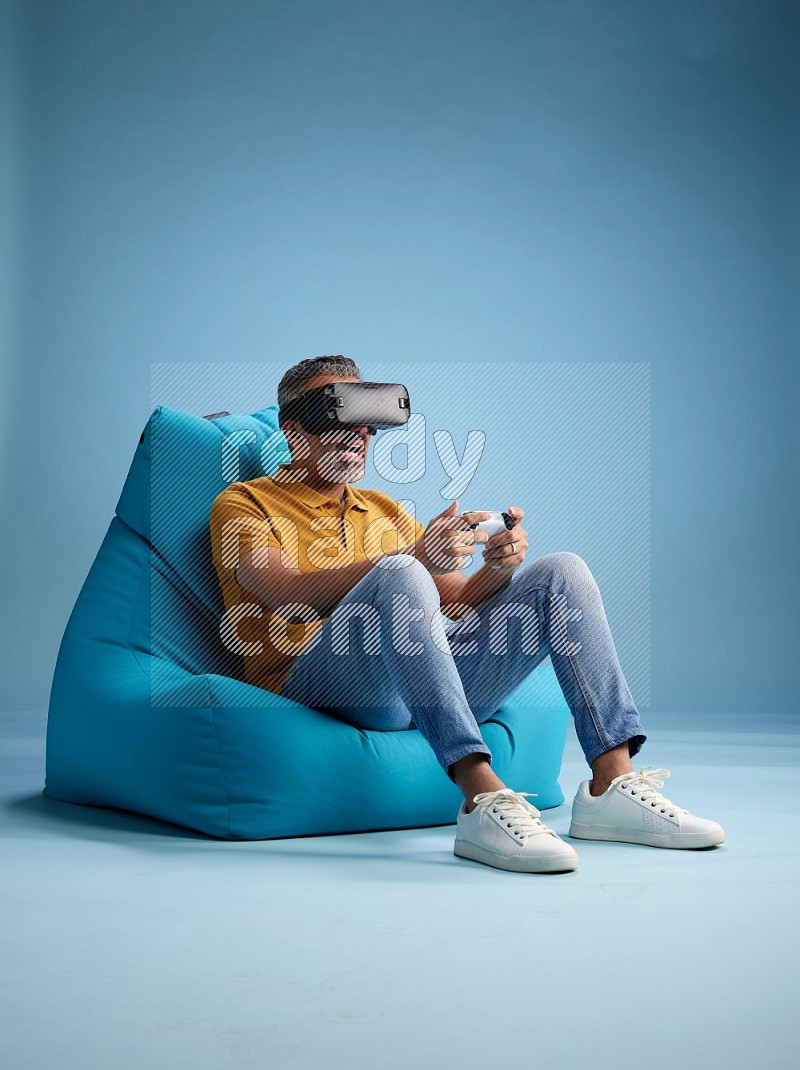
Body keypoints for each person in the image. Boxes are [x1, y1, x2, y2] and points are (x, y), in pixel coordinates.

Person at [210, 355, 724, 873]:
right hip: (321, 686)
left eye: (366, 423)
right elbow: (282, 590)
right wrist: (411, 558)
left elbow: (458, 601)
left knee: (560, 572)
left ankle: (610, 783)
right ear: (293, 430)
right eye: (337, 417)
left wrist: (499, 568)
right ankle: (480, 798)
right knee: (401, 573)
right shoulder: (243, 503)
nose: (357, 435)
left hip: (414, 685)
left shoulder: (384, 510)